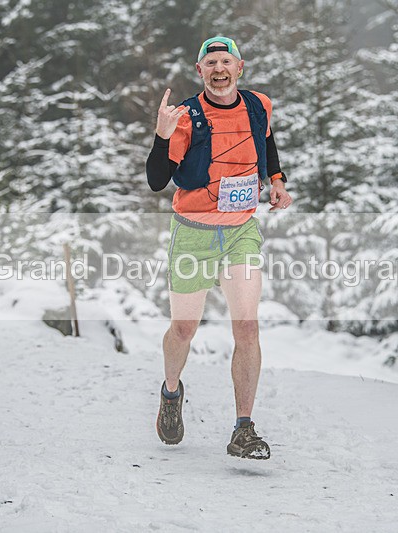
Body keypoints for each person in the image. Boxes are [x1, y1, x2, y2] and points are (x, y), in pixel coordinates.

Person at [145, 36, 292, 460]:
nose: (219, 68)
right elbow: (157, 180)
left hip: (241, 231)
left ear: (239, 68)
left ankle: (243, 429)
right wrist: (161, 135)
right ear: (200, 72)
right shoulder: (187, 118)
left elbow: (266, 141)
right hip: (194, 231)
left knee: (246, 327)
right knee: (184, 329)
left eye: (226, 61)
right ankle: (171, 392)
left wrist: (276, 182)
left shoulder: (257, 105)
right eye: (211, 63)